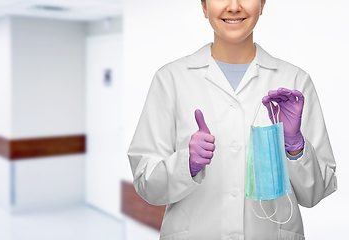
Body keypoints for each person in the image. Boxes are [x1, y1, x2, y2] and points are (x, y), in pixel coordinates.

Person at [127, 0, 337, 239]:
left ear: (262, 4)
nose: (234, 6)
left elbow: (316, 193)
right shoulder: (170, 80)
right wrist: (187, 164)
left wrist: (295, 145)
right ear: (204, 7)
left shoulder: (295, 81)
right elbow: (146, 184)